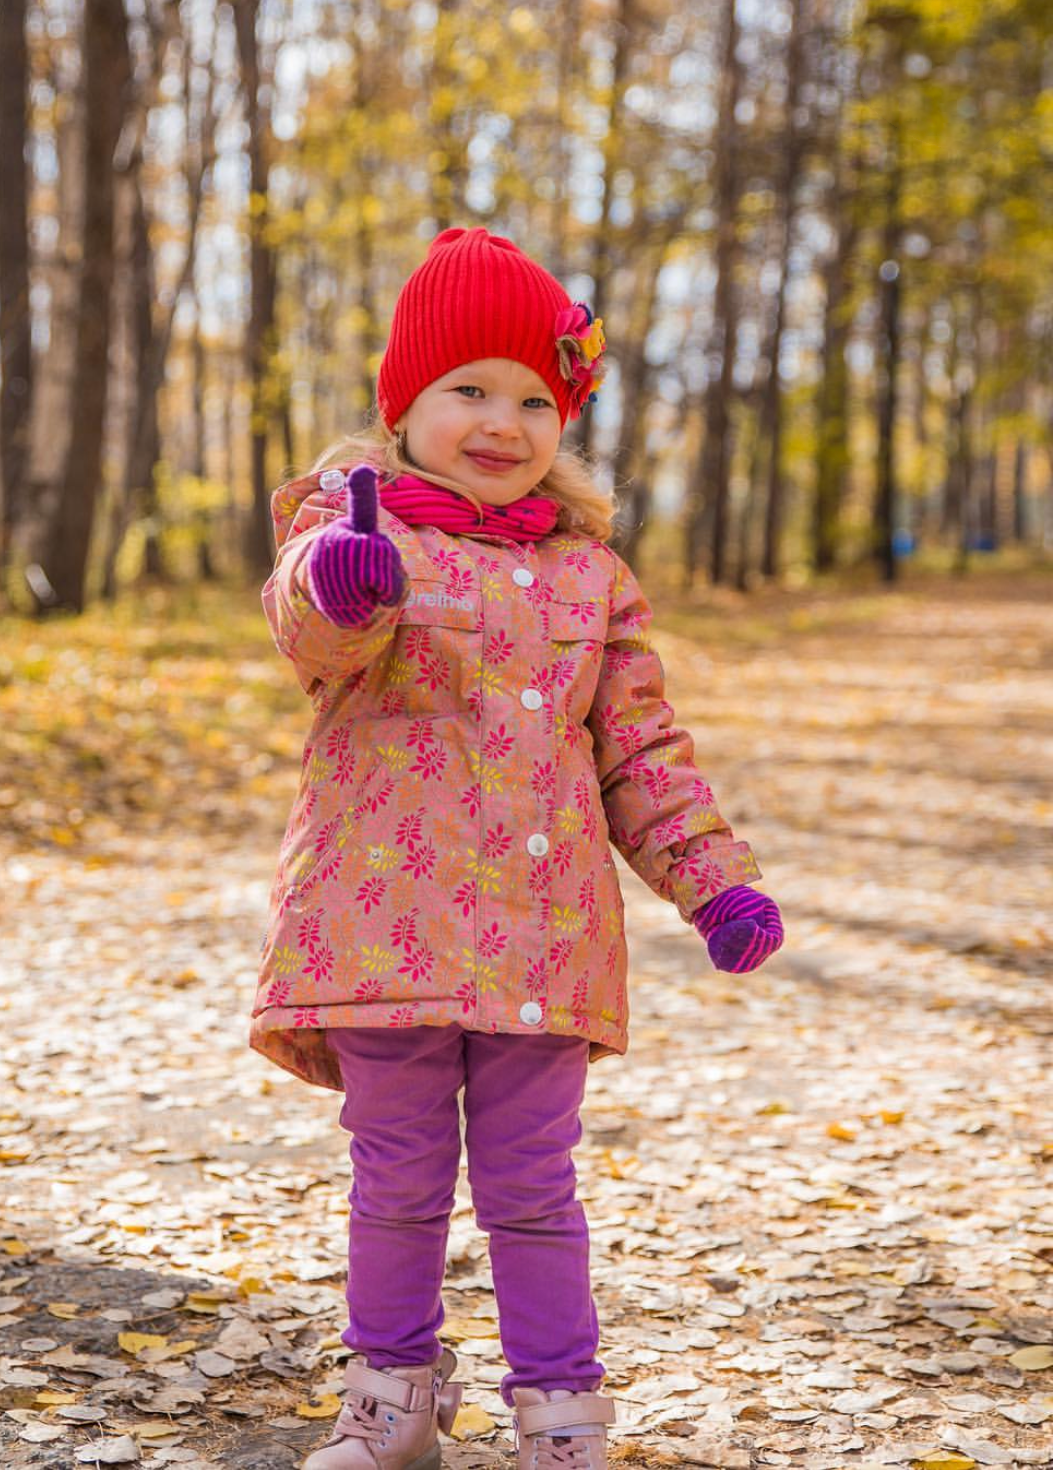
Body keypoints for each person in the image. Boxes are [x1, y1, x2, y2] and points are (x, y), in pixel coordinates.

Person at [250, 226, 784, 1470]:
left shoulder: (589, 573)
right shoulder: (353, 532)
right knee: (397, 1179)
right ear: (406, 405)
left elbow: (641, 750)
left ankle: (560, 1418)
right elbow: (312, 636)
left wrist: (714, 881)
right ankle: (390, 1405)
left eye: (536, 398)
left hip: (547, 938)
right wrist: (342, 581)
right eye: (468, 390)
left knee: (535, 1189)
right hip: (384, 928)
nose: (503, 420)